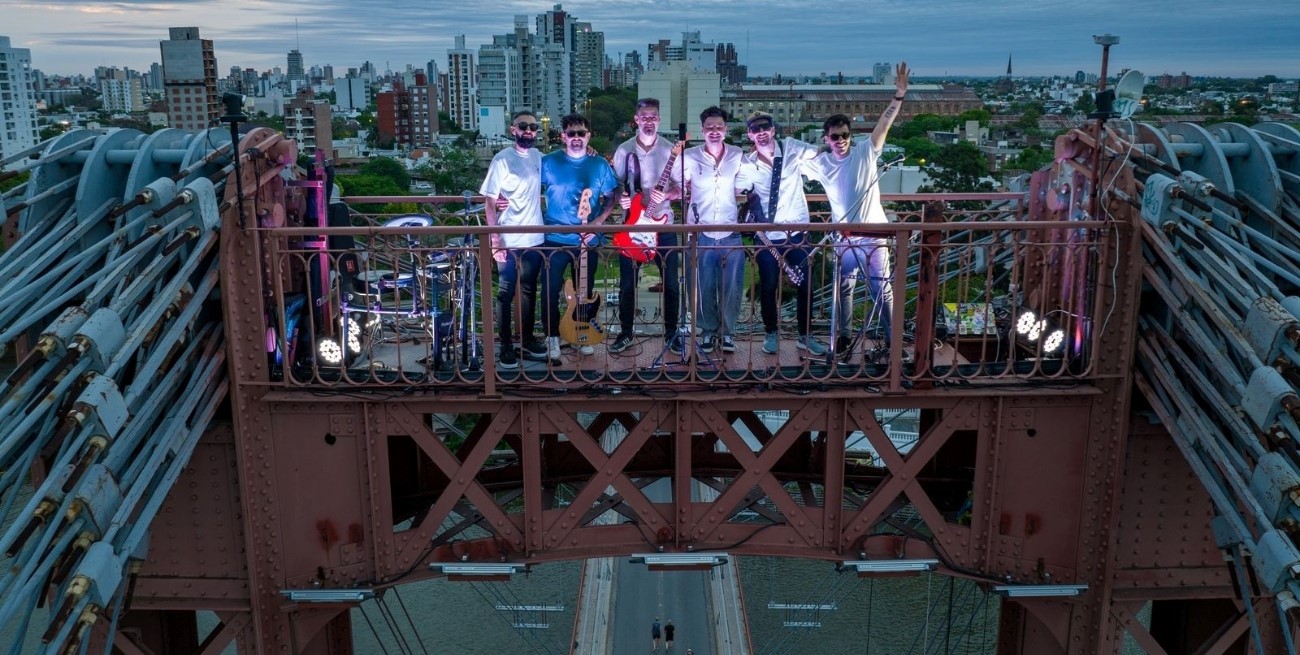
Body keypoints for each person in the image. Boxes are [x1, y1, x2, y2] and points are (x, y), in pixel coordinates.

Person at [804, 62, 910, 361]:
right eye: (835, 136)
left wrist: (899, 96)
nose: (841, 141)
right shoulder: (822, 163)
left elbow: (884, 124)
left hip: (873, 235)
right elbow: (793, 157)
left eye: (845, 135)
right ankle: (844, 341)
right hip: (844, 237)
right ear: (826, 138)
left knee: (882, 290)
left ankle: (892, 343)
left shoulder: (865, 152)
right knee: (843, 292)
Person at [737, 110, 827, 357]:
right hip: (766, 235)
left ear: (773, 129)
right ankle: (771, 333)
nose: (761, 132)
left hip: (797, 230)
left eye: (766, 127)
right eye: (756, 129)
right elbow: (734, 186)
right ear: (750, 134)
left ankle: (805, 336)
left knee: (806, 283)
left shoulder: (791, 148)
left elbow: (820, 154)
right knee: (768, 285)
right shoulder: (747, 162)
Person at [540, 113, 618, 360]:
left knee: (585, 291)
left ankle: (579, 334)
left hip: (588, 241)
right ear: (563, 136)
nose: (576, 138)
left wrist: (596, 223)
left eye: (581, 133)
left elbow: (611, 197)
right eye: (571, 133)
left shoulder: (599, 165)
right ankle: (552, 337)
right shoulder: (548, 162)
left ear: (588, 136)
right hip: (554, 238)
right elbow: (527, 189)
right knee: (550, 291)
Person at [610, 98, 684, 355]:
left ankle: (672, 334)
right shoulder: (624, 150)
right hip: (632, 226)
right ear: (637, 120)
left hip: (664, 227)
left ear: (659, 120)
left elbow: (683, 188)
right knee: (627, 285)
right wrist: (622, 197)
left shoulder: (670, 149)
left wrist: (668, 196)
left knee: (672, 284)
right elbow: (616, 185)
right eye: (645, 117)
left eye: (654, 117)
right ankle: (626, 333)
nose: (649, 121)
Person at [480, 109, 547, 370]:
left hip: (534, 238)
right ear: (513, 129)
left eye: (533, 127)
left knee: (530, 290)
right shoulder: (502, 159)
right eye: (523, 126)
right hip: (508, 238)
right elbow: (489, 202)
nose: (529, 131)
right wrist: (495, 239)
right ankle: (506, 345)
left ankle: (527, 340)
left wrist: (591, 153)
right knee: (506, 293)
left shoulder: (539, 157)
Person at [679, 106, 745, 354]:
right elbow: (676, 183)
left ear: (726, 130)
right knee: (702, 286)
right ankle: (707, 332)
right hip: (700, 231)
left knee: (731, 286)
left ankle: (727, 334)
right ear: (702, 130)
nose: (714, 132)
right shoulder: (690, 156)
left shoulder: (738, 155)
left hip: (730, 229)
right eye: (710, 128)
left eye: (719, 127)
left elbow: (748, 183)